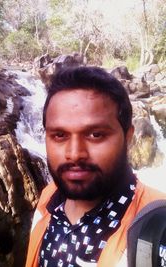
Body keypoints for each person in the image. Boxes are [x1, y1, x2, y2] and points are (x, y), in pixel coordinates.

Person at [25, 66, 166, 267]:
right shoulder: (49, 198)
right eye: (59, 135)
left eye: (95, 135)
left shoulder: (157, 223)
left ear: (128, 137)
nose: (74, 154)